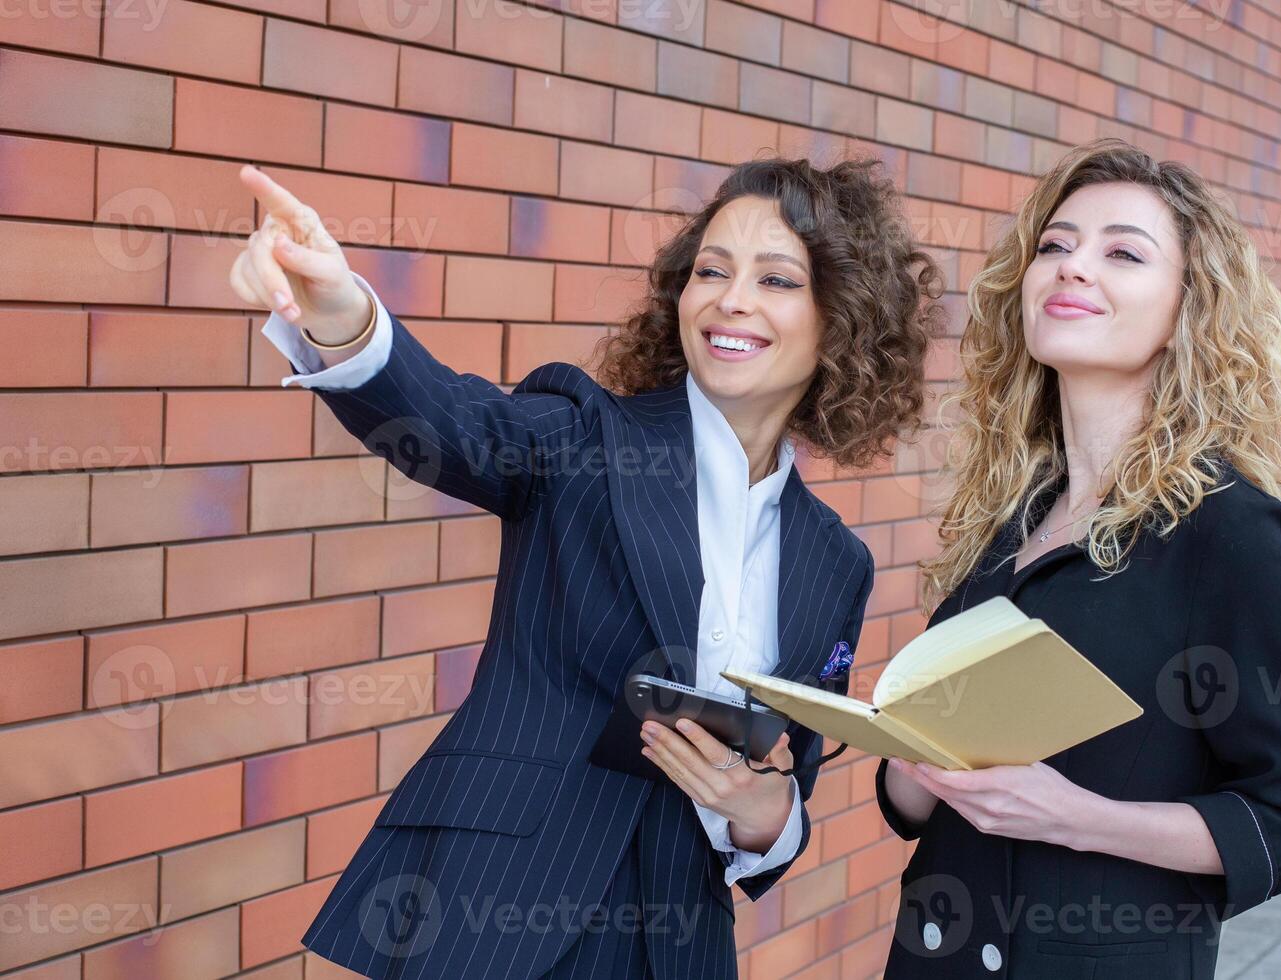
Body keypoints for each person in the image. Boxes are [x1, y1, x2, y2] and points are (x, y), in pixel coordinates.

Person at [230, 155, 942, 979]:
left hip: (675, 945)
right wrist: (339, 309)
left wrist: (765, 811)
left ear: (840, 320)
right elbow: (451, 420)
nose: (731, 299)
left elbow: (789, 784)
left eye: (777, 279)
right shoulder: (584, 435)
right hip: (490, 913)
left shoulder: (836, 563)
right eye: (711, 270)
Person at [875, 138, 1281, 979]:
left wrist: (1074, 816)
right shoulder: (1013, 517)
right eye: (1054, 247)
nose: (1072, 268)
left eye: (1122, 252)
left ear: (1187, 308)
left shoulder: (1229, 529)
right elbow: (915, 798)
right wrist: (911, 760)